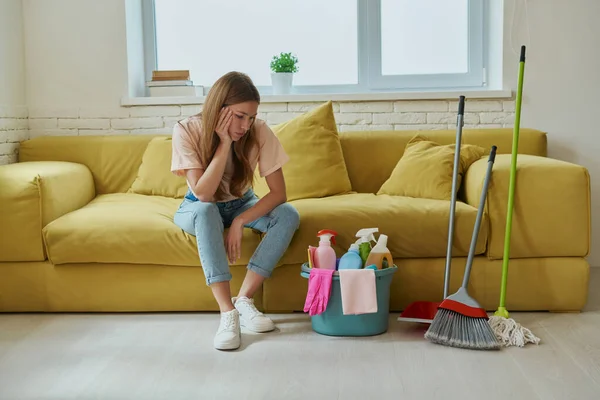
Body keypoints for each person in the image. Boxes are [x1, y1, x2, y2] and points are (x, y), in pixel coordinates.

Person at [170, 71, 300, 350]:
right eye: (240, 116)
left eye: (251, 117)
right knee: (206, 212)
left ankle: (244, 301)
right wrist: (225, 144)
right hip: (197, 206)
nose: (246, 125)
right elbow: (202, 193)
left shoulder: (259, 131)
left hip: (243, 202)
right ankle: (227, 313)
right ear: (219, 108)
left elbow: (279, 193)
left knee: (288, 214)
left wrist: (241, 220)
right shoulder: (186, 129)